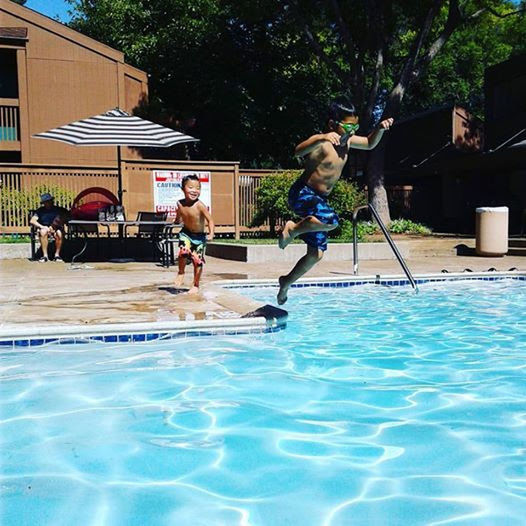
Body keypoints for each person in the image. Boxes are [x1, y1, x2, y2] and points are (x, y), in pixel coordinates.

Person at [277, 100, 394, 304]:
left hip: (318, 200)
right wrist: (321, 137)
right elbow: (298, 151)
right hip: (303, 193)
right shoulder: (323, 142)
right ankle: (292, 229)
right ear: (332, 124)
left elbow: (369, 143)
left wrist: (380, 129)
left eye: (355, 127)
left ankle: (285, 283)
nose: (351, 131)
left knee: (316, 254)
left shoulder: (348, 142)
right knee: (331, 220)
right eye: (348, 127)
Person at [173, 175, 215, 294]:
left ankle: (196, 284)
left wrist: (211, 233)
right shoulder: (180, 204)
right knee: (183, 252)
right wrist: (177, 220)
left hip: (199, 237)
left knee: (197, 261)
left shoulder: (200, 205)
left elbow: (210, 220)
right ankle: (181, 272)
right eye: (191, 187)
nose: (194, 190)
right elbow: (180, 214)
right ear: (183, 189)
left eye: (198, 188)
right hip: (186, 233)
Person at [30, 193, 69, 262]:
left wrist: (55, 226)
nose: (48, 203)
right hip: (44, 228)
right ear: (44, 203)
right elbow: (32, 221)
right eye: (46, 201)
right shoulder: (40, 211)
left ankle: (57, 255)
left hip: (56, 228)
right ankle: (45, 256)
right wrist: (42, 227)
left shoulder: (59, 210)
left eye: (49, 201)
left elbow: (66, 217)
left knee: (59, 233)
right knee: (43, 231)